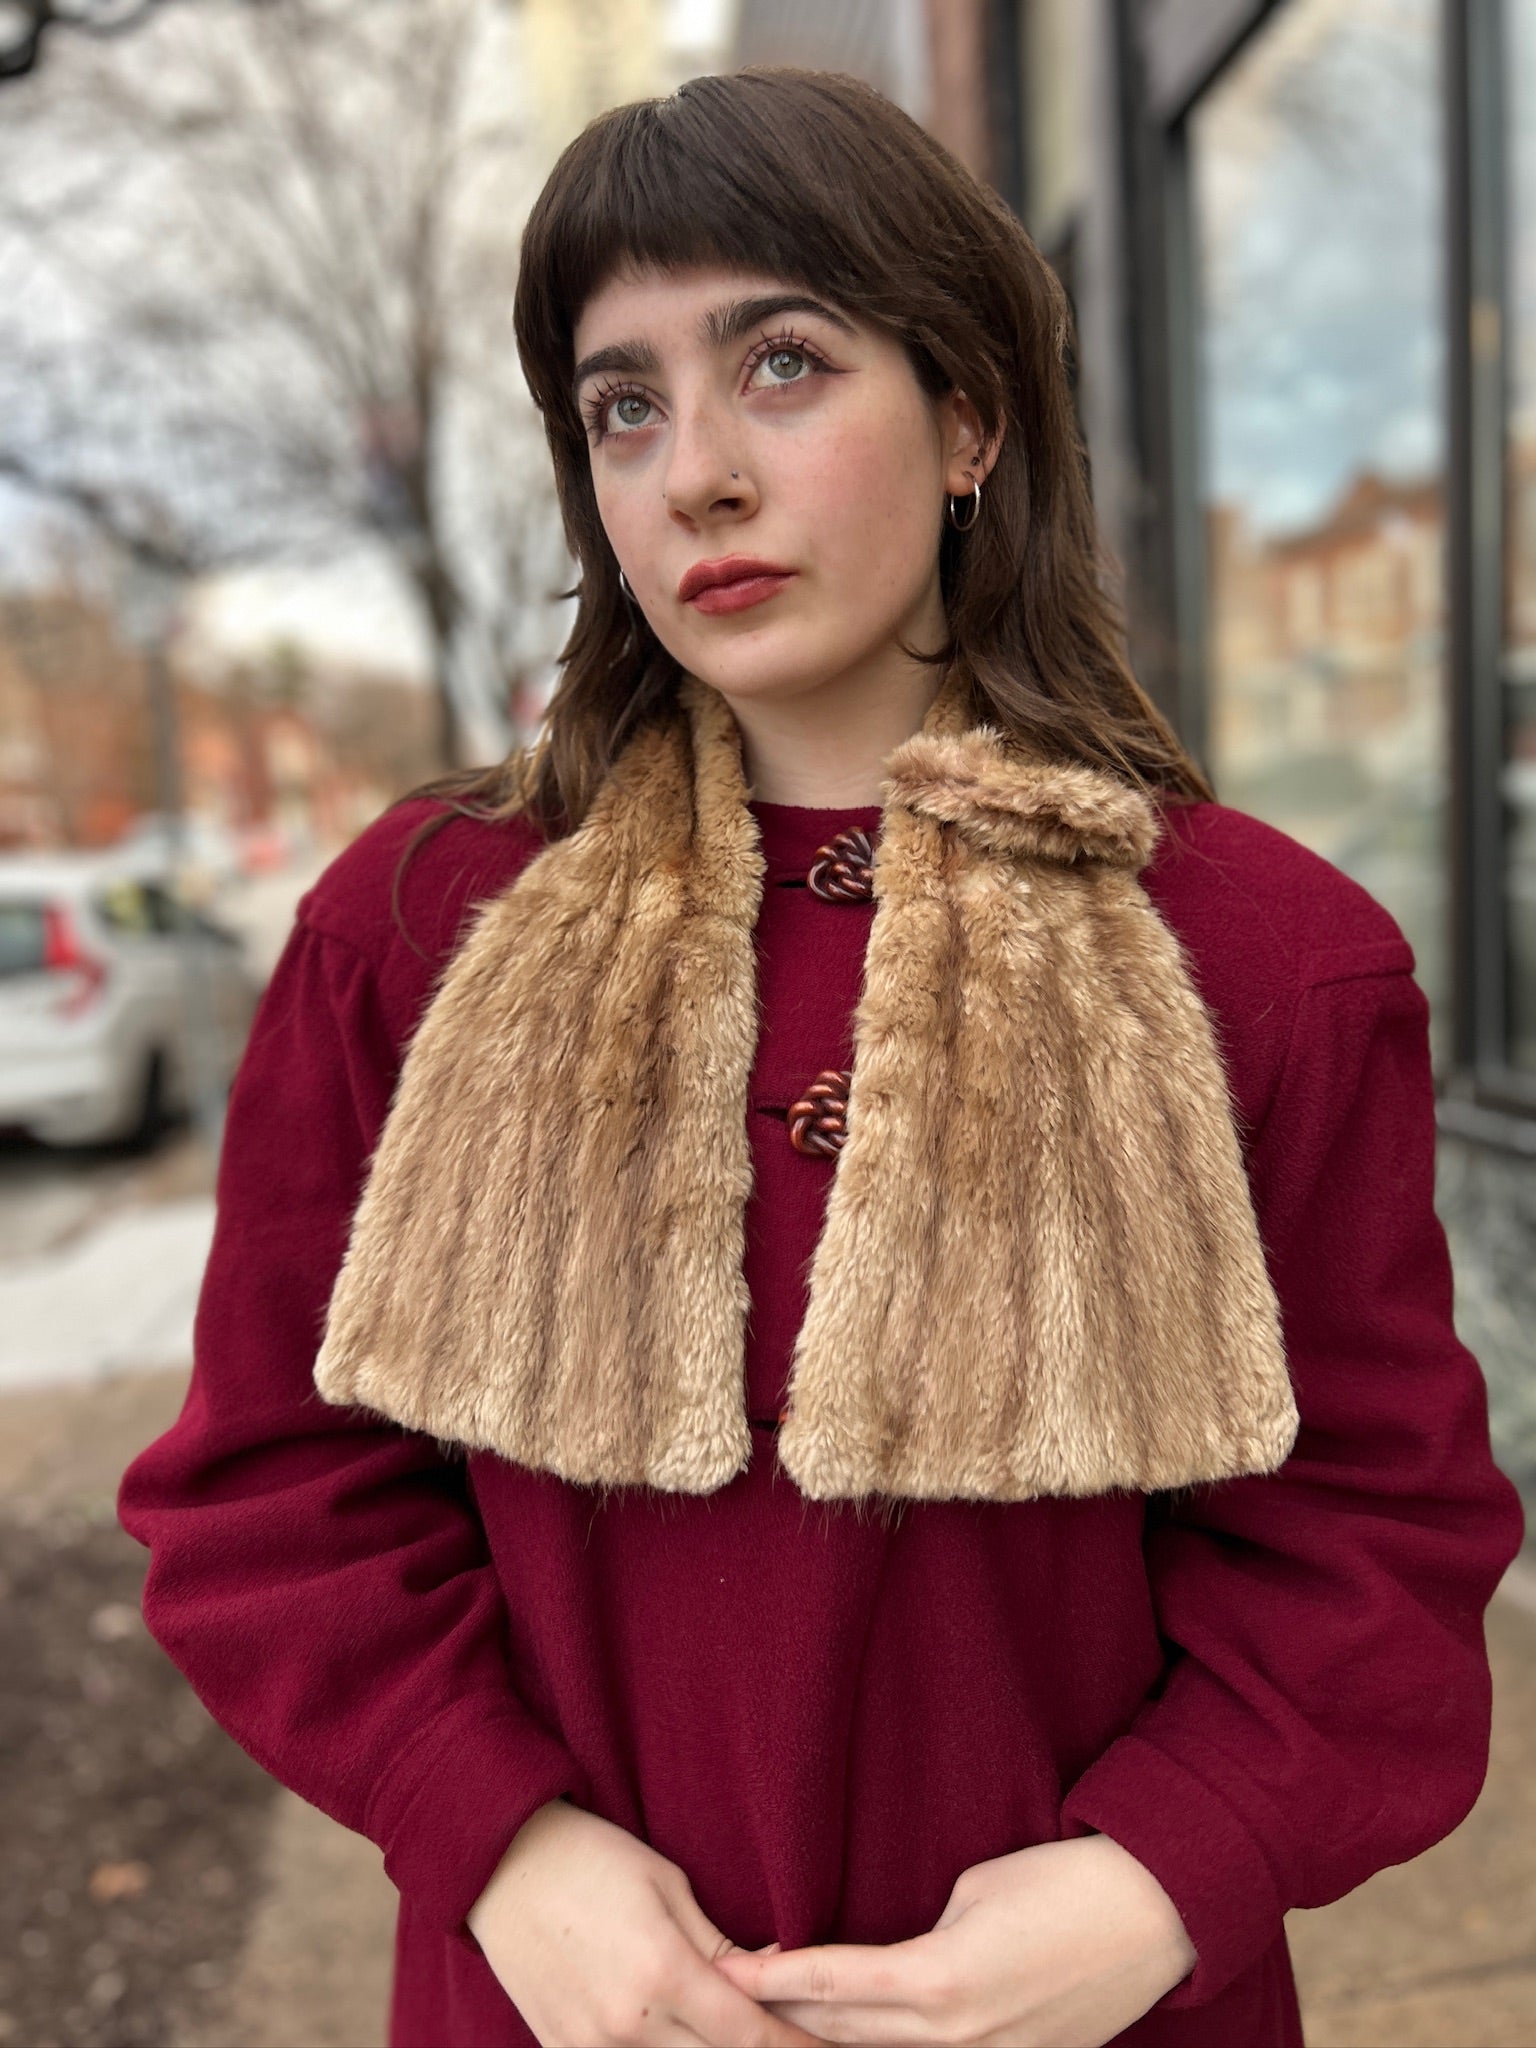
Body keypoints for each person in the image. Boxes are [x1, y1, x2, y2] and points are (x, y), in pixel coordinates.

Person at [118, 65, 1525, 2048]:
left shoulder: (1267, 961)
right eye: (626, 403)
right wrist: (506, 1844)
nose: (693, 469)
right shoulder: (424, 928)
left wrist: (1163, 1874)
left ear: (969, 416)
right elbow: (269, 1490)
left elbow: (1378, 1537)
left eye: (782, 363)